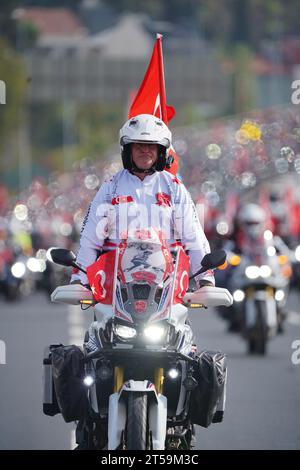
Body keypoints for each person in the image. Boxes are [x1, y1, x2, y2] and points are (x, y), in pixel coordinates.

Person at [71, 114, 215, 289]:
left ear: (161, 151)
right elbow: (90, 240)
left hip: (168, 290)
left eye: (151, 146)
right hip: (114, 291)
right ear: (128, 150)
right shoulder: (110, 188)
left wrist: (206, 281)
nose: (145, 150)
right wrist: (79, 279)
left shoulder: (174, 187)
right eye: (139, 145)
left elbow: (194, 238)